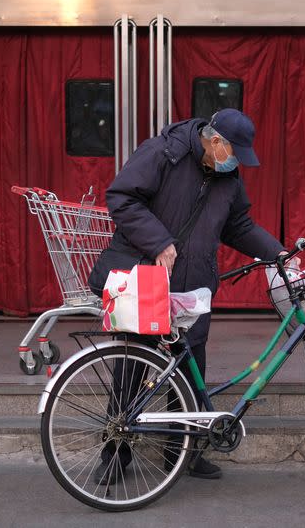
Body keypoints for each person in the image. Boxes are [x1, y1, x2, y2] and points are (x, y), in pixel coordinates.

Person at [88, 108, 290, 481]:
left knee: (191, 362)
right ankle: (116, 450)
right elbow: (122, 197)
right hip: (149, 277)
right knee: (134, 361)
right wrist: (159, 240)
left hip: (194, 280)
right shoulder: (163, 152)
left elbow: (239, 225)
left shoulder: (227, 177)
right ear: (215, 142)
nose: (235, 164)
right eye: (233, 154)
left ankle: (183, 451)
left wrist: (275, 251)